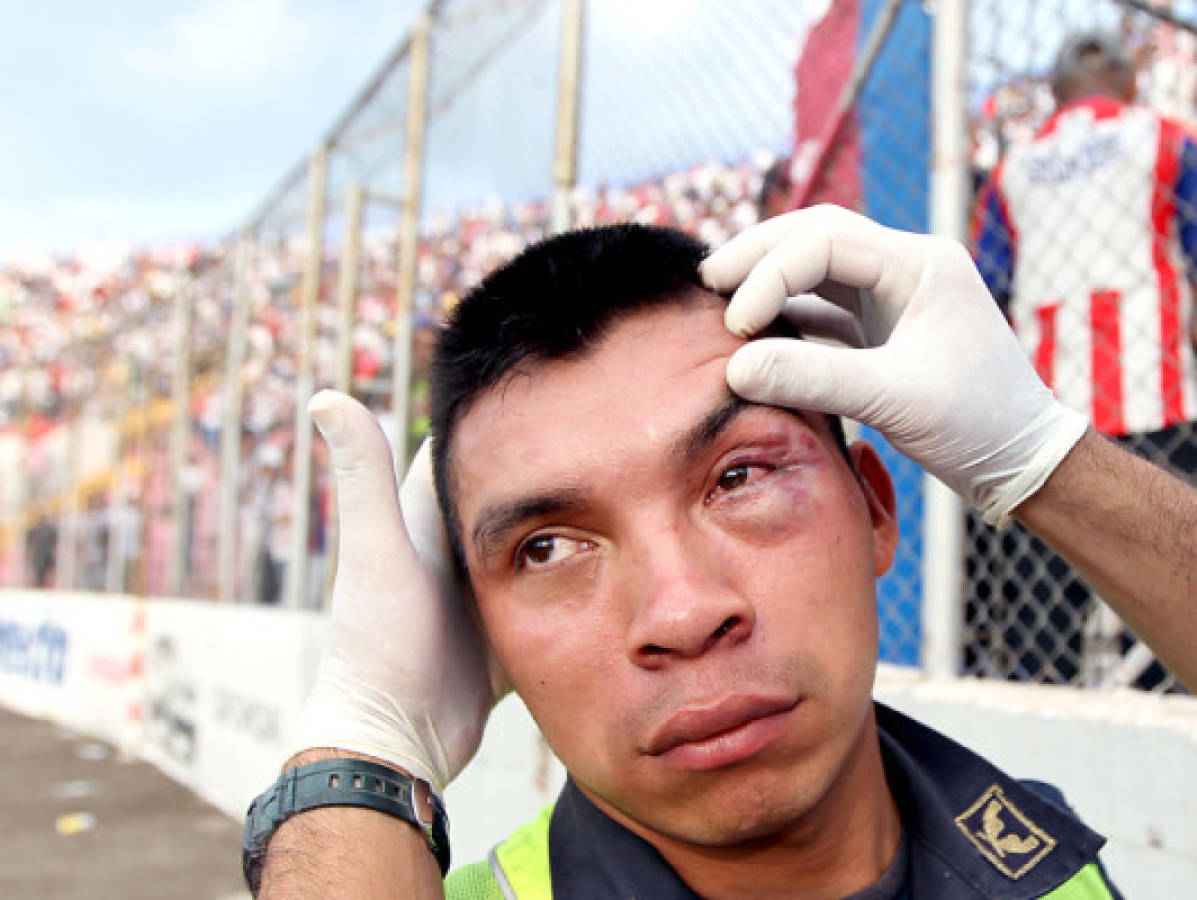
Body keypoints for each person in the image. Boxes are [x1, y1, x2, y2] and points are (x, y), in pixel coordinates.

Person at [246, 207, 1195, 898]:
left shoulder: (1044, 862)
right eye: (547, 548)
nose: (683, 611)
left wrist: (1043, 460)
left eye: (738, 478)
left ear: (873, 508)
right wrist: (367, 746)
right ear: (477, 625)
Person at [970, 30, 1197, 686]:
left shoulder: (1014, 168)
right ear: (1128, 84)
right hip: (1157, 398)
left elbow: (988, 286)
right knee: (1165, 590)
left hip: (1047, 414)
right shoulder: (1163, 139)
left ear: (1055, 93)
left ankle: (1044, 718)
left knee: (1046, 604)